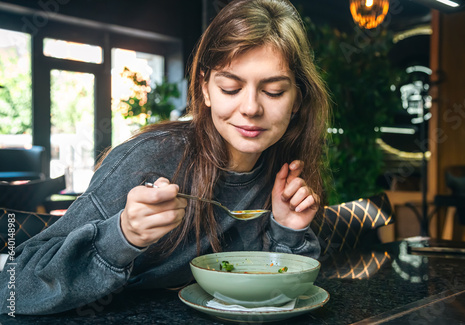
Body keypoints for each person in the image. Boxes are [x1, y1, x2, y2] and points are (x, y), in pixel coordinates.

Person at [0, 0, 329, 315]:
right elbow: (11, 288)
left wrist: (287, 230)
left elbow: (276, 298)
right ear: (205, 89)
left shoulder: (282, 173)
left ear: (297, 100)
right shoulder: (149, 159)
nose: (251, 108)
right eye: (230, 87)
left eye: (273, 91)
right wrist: (124, 234)